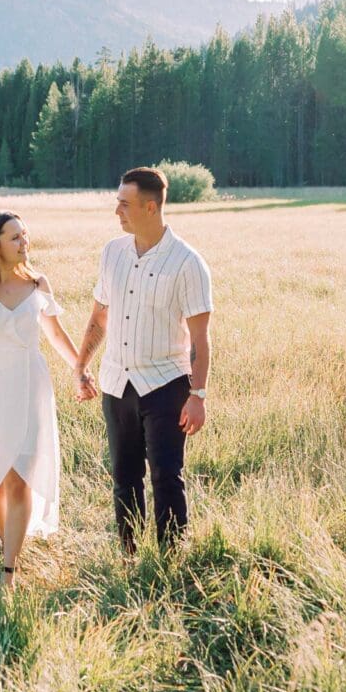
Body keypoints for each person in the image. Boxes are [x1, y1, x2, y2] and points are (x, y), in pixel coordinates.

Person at [74, 167, 213, 553]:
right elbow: (100, 315)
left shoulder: (187, 263)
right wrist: (82, 365)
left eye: (124, 204)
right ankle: (129, 557)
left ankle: (171, 558)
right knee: (124, 478)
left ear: (150, 207)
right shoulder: (112, 253)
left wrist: (198, 395)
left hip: (166, 387)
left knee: (167, 477)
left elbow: (200, 337)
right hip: (117, 384)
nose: (116, 211)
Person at [0, 210, 82, 589]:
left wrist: (80, 368)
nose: (25, 242)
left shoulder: (38, 282)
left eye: (25, 235)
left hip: (30, 385)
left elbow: (56, 335)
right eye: (14, 237)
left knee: (20, 476)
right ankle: (5, 547)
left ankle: (9, 568)